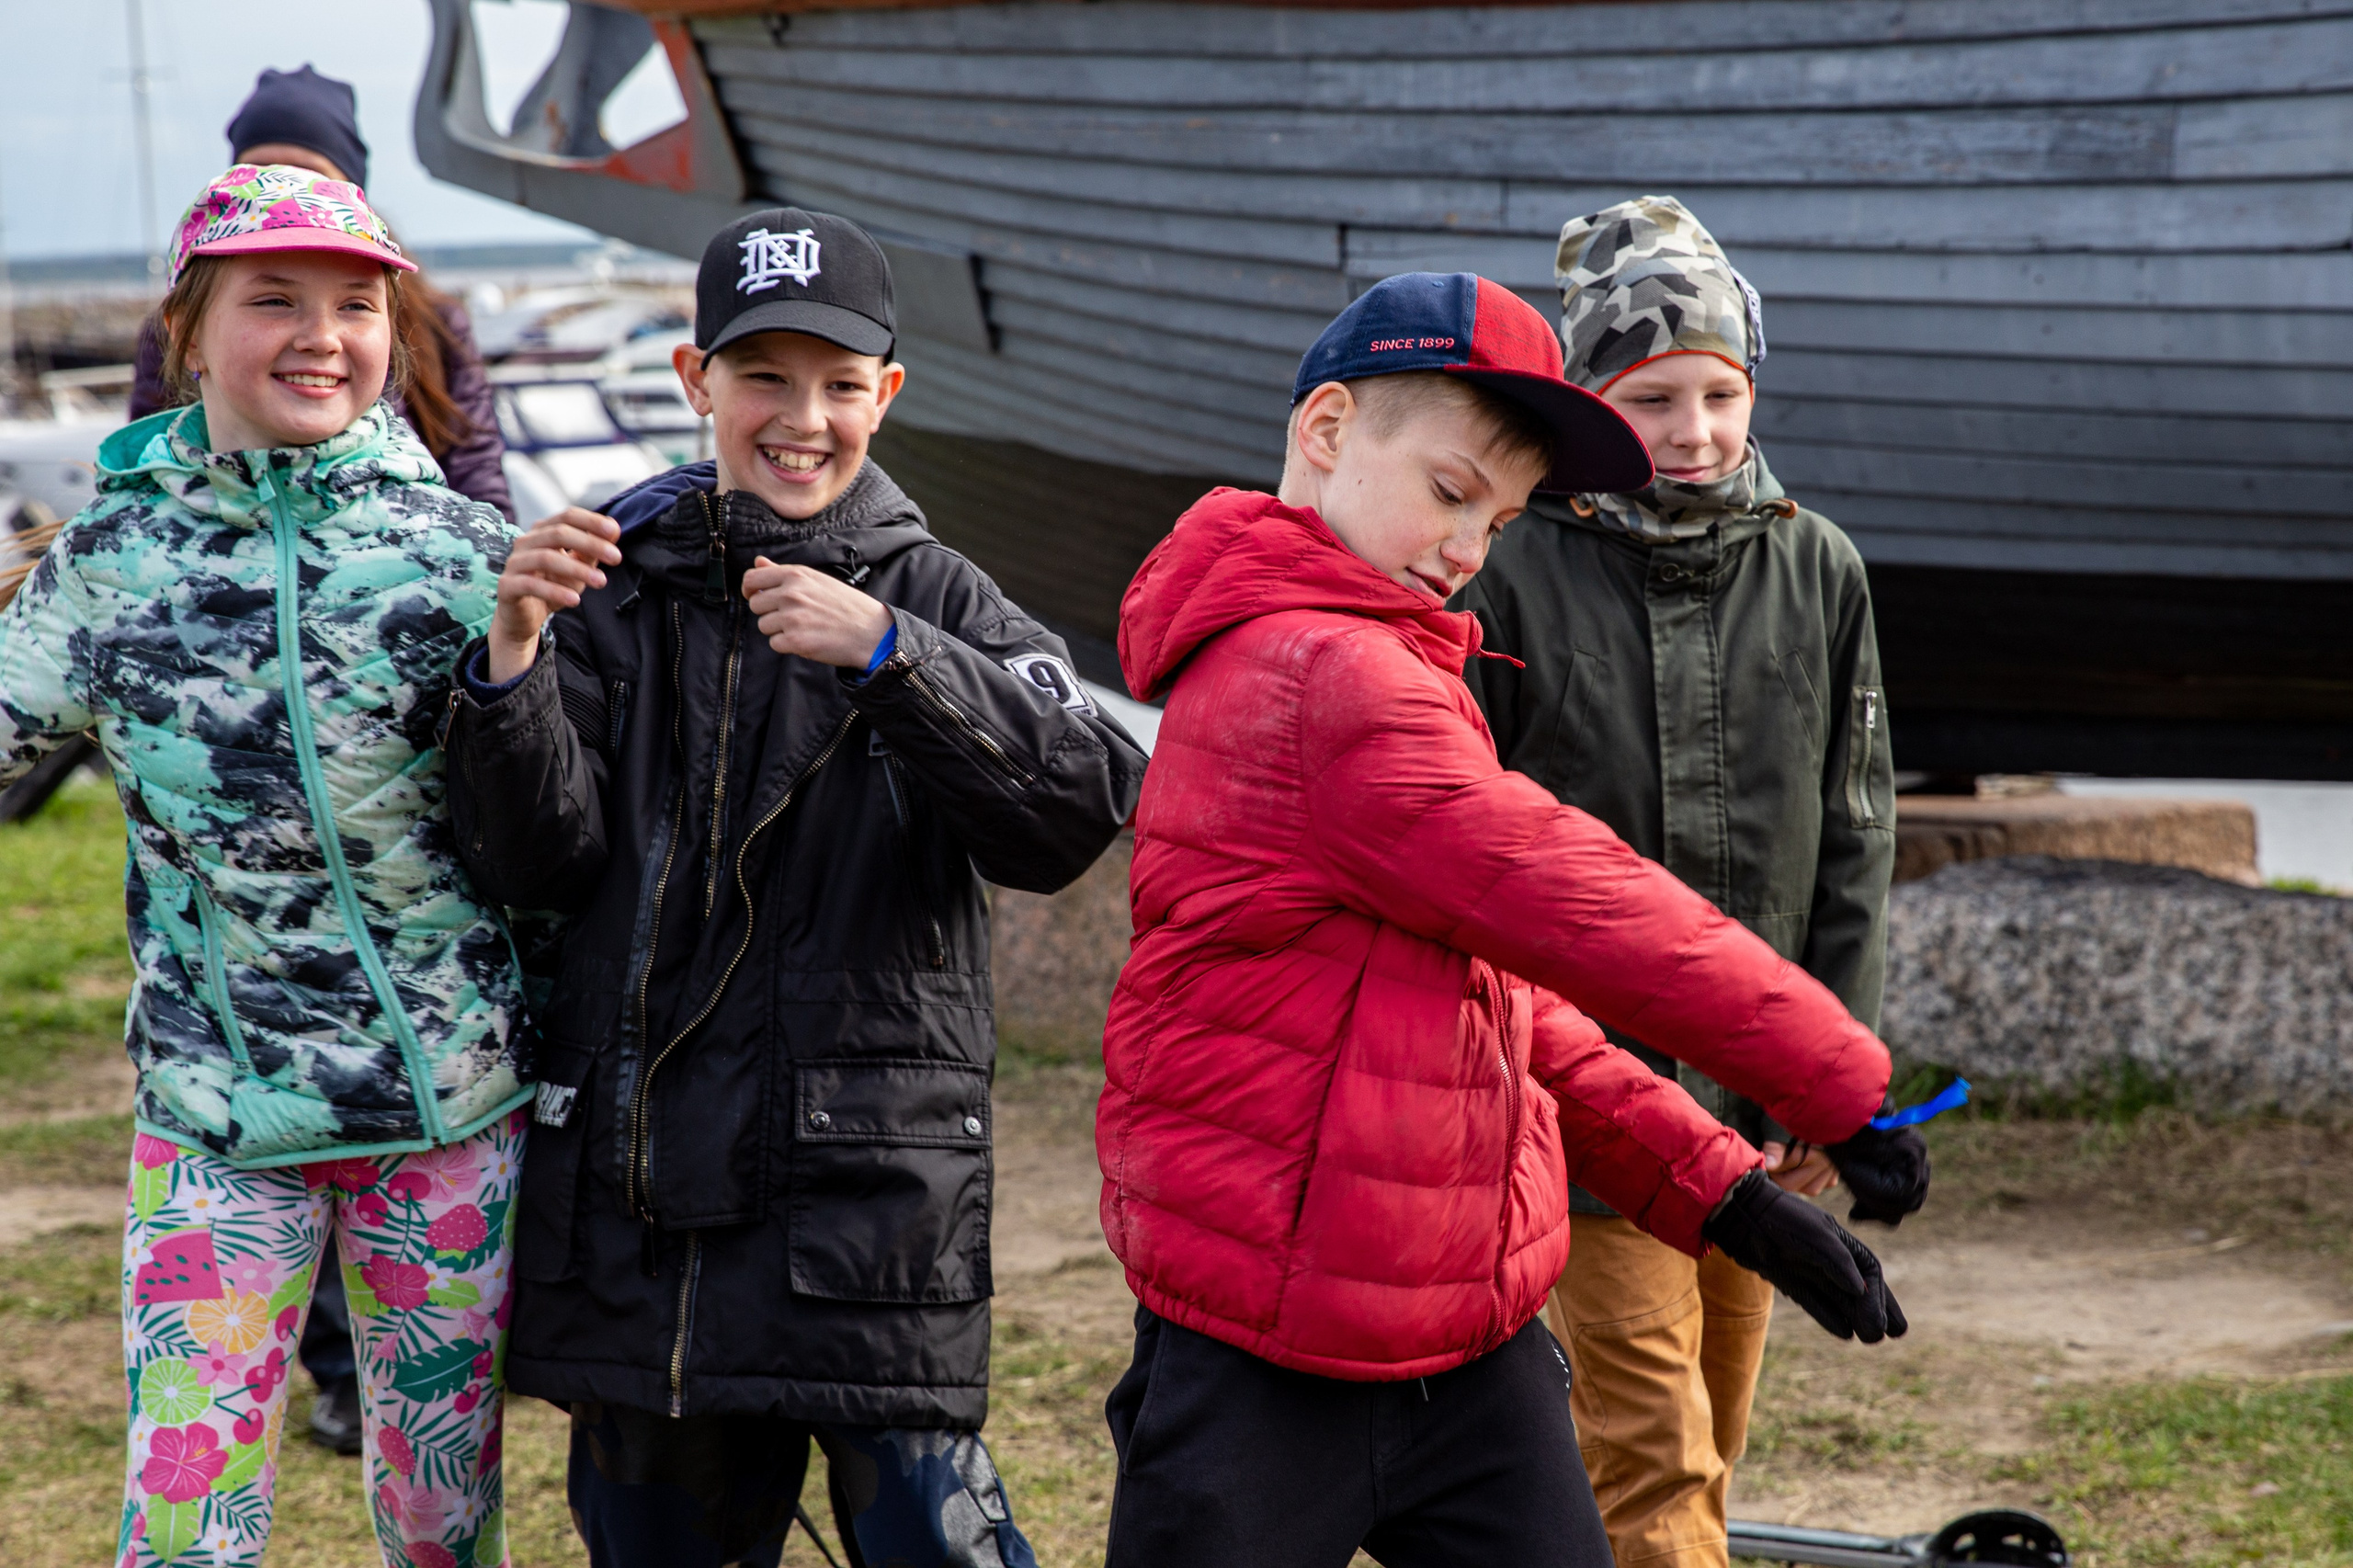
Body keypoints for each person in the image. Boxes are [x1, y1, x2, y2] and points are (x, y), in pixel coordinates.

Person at [1096, 272, 1930, 1568]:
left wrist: (1718, 1192)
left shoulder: (1392, 654)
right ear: (1326, 430)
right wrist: (1835, 1079)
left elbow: (1500, 1002)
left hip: (1465, 1346)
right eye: (1447, 491)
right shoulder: (1322, 675)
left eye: (1498, 517)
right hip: (1269, 1352)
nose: (1465, 549)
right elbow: (1574, 900)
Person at [438, 205, 1147, 1568]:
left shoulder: (942, 592)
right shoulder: (607, 585)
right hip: (640, 1203)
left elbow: (1071, 810)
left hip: (871, 1206)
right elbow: (534, 865)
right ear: (697, 380)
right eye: (765, 376)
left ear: (887, 394)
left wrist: (895, 655)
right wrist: (512, 660)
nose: (801, 417)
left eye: (838, 383)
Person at [0, 165, 529, 1568]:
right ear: (190, 328)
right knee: (180, 1525)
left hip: (453, 1115)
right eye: (274, 299)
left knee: (441, 1521)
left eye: (356, 304)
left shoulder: (464, 552)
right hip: (217, 1119)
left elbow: (565, 811)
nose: (321, 333)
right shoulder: (107, 562)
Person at [1453, 196, 1909, 1568]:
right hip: (1594, 1106)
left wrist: (1835, 1074)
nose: (1696, 429)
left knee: (1717, 1415)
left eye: (1721, 393)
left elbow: (1856, 835)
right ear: (1591, 400)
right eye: (1653, 399)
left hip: (1759, 1101)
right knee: (1654, 1447)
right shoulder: (1510, 572)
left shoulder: (1818, 567)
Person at [129, 64, 514, 527]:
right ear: (189, 337)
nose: (287, 190)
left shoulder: (437, 321)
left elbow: (476, 468)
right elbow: (144, 464)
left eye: (356, 306)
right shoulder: (115, 553)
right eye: (263, 172)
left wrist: (497, 567)